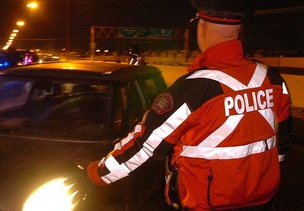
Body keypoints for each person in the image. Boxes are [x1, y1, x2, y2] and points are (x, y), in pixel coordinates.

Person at [65, 0, 294, 210]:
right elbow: (282, 144)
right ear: (239, 30)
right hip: (263, 201)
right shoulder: (271, 78)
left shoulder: (193, 88)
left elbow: (144, 146)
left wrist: (94, 175)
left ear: (201, 28)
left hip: (206, 205)